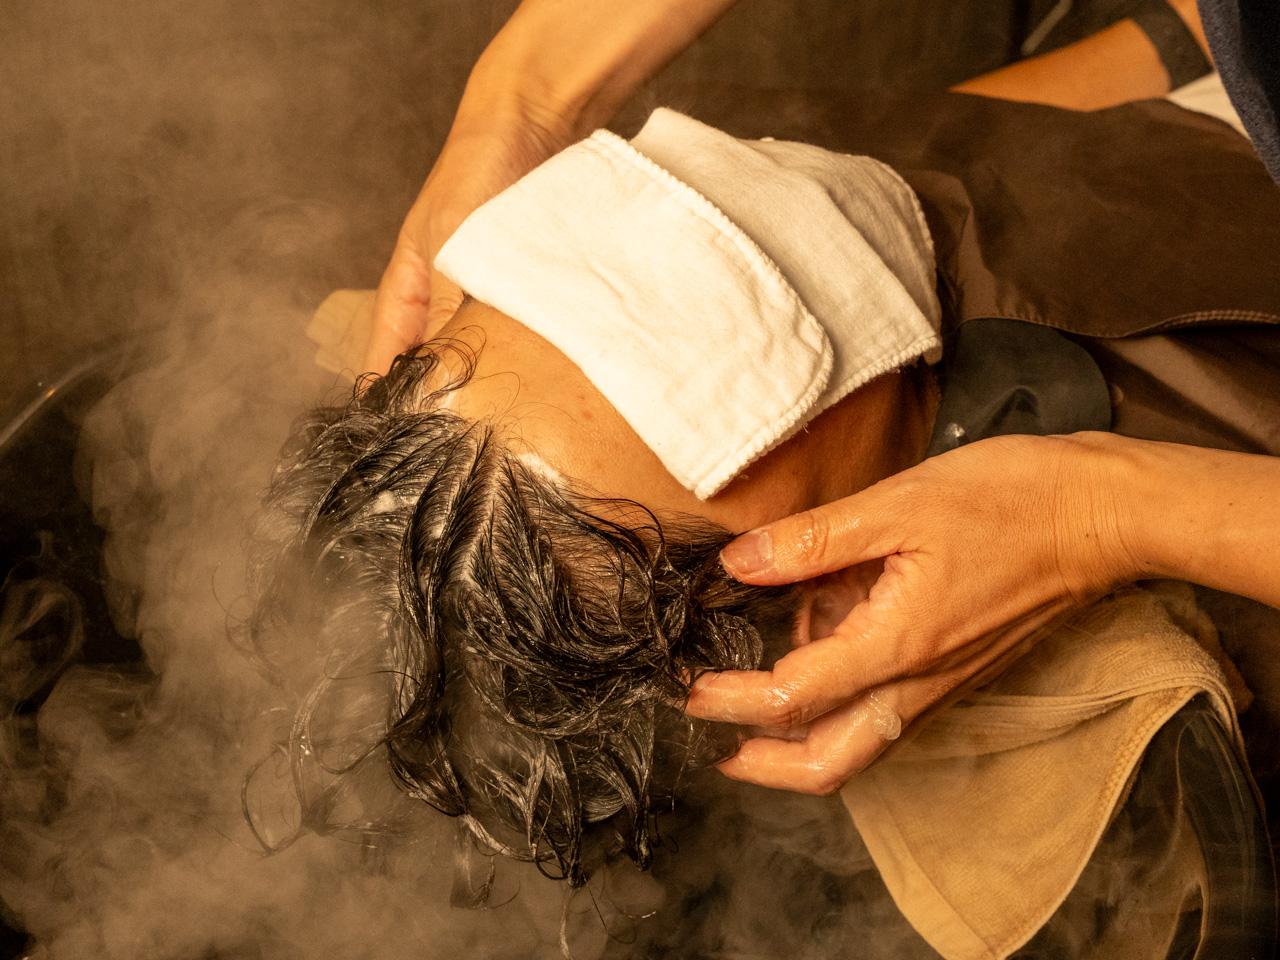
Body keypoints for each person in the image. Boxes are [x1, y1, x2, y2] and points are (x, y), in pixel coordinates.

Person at [359, 0, 1280, 800]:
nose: (675, 229)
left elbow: (995, 142)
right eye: (691, 368)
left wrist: (522, 97)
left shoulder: (832, 190)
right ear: (838, 589)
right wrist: (1102, 514)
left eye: (567, 273)